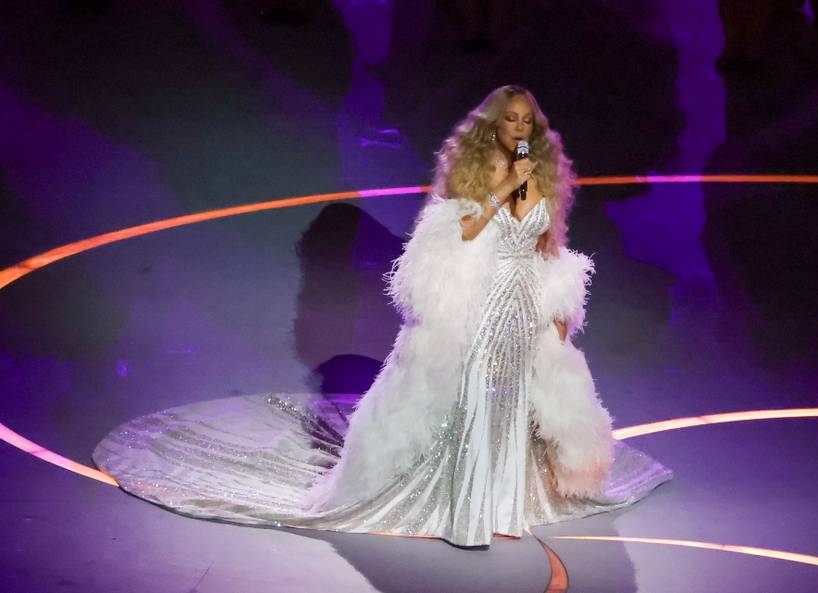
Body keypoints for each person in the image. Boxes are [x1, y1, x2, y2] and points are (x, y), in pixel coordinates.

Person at [92, 85, 673, 550]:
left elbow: (543, 244)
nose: (520, 129)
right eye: (512, 120)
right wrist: (504, 190)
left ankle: (501, 502)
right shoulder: (475, 177)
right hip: (478, 306)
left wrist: (556, 308)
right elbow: (462, 233)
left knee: (513, 403)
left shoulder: (537, 177)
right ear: (492, 124)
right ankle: (463, 507)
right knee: (474, 397)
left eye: (528, 122)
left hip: (523, 303)